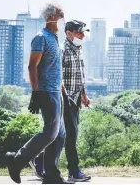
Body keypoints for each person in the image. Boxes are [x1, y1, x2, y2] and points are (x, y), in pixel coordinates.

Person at [5, 2, 73, 184]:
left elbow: (54, 68)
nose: (62, 14)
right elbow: (32, 66)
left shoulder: (53, 37)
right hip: (46, 92)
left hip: (56, 92)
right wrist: (36, 93)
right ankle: (17, 159)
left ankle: (51, 174)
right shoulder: (41, 37)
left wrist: (63, 91)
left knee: (60, 136)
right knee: (50, 133)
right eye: (59, 12)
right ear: (51, 16)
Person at [29, 20, 92, 182]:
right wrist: (65, 97)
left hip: (76, 98)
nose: (82, 36)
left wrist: (84, 95)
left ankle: (39, 160)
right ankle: (74, 170)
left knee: (65, 135)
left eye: (83, 33)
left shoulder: (79, 49)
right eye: (79, 32)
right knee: (68, 135)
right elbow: (58, 76)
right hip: (65, 98)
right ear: (69, 33)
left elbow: (80, 75)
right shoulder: (62, 50)